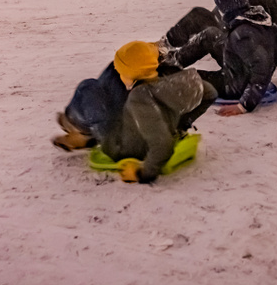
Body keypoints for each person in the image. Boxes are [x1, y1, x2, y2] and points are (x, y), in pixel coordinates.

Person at [70, 42, 216, 185]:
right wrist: (180, 125)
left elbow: (162, 145)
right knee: (110, 82)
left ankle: (85, 131)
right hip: (138, 133)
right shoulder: (164, 83)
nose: (119, 76)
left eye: (121, 73)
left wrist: (143, 172)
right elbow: (210, 92)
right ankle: (89, 135)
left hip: (120, 147)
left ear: (131, 75)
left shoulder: (139, 99)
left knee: (88, 87)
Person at [175, 0, 277, 116]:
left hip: (234, 85)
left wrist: (244, 105)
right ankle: (175, 61)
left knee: (185, 79)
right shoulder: (254, 19)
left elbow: (262, 69)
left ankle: (166, 74)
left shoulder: (242, 36)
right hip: (239, 66)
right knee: (211, 35)